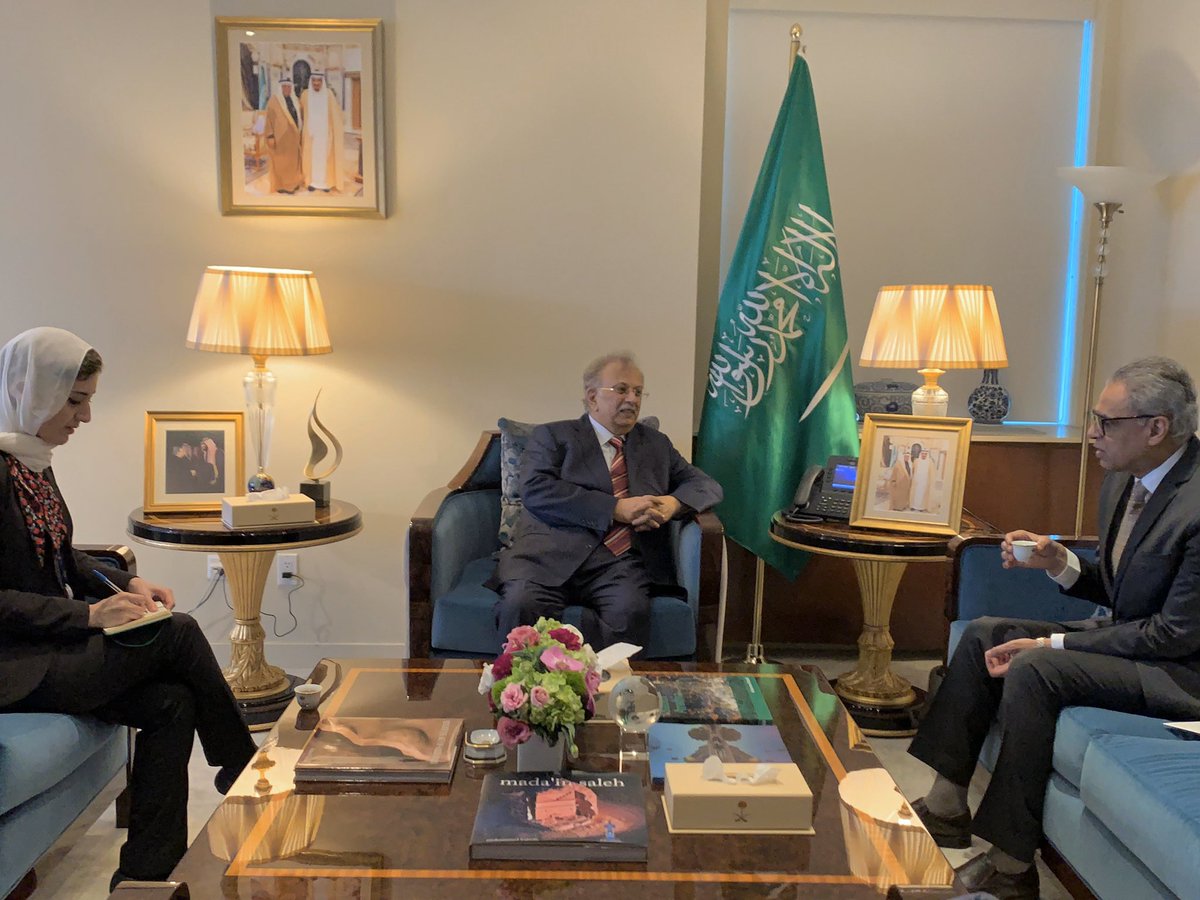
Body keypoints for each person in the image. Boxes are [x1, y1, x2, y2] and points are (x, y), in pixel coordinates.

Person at [907, 356, 1200, 899]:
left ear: (1156, 428)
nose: (1092, 433)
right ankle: (945, 807)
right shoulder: (1124, 480)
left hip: (1182, 674)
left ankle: (1011, 865)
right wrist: (1059, 562)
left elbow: (1173, 635)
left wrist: (1053, 642)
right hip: (1140, 643)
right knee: (986, 632)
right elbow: (1121, 590)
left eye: (1106, 422)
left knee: (1037, 667)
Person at [0, 327, 257, 891]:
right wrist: (90, 616)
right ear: (30, 391)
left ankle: (144, 876)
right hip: (15, 667)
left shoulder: (30, 462)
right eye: (75, 401)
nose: (85, 417)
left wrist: (128, 581)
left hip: (49, 651)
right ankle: (242, 768)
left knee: (173, 702)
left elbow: (61, 556)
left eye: (88, 401)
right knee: (179, 633)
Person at [494, 352, 723, 649]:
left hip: (619, 563)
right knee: (521, 605)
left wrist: (673, 504)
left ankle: (607, 680)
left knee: (630, 612)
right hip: (547, 556)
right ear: (592, 397)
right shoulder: (553, 436)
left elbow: (706, 485)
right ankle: (532, 681)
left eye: (638, 392)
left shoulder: (656, 444)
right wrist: (615, 508)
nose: (632, 399)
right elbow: (536, 490)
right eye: (622, 390)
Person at [301, 71, 345, 193]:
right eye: (314, 80)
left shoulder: (328, 94)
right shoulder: (305, 95)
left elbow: (336, 114)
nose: (316, 83)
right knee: (312, 158)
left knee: (324, 158)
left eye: (319, 80)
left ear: (322, 81)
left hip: (325, 134)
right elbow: (301, 113)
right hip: (310, 135)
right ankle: (311, 182)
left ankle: (325, 183)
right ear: (311, 81)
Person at [264, 75, 303, 194]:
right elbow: (268, 120)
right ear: (280, 87)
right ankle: (282, 186)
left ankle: (293, 183)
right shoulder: (273, 101)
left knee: (293, 163)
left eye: (289, 86)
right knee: (282, 163)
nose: (287, 89)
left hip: (294, 137)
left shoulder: (295, 100)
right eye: (284, 86)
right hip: (280, 138)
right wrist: (270, 136)